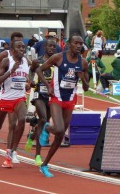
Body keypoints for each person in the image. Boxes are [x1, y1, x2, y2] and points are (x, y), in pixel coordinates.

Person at [35, 34, 89, 177]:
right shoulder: (58, 57)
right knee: (58, 129)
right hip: (56, 98)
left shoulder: (83, 63)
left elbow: (86, 88)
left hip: (70, 99)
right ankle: (47, 126)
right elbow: (39, 70)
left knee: (59, 136)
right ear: (69, 44)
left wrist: (82, 78)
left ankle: (45, 164)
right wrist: (48, 86)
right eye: (76, 43)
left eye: (81, 43)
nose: (78, 46)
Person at [0, 40, 29, 167]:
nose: (21, 49)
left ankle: (11, 152)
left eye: (23, 47)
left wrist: (29, 83)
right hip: (5, 98)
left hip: (19, 98)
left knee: (21, 120)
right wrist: (11, 71)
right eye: (18, 47)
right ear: (13, 50)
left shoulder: (26, 61)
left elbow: (27, 77)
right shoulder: (7, 61)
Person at [24, 38, 57, 166]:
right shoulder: (38, 61)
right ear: (44, 47)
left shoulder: (57, 61)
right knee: (43, 119)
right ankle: (37, 155)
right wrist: (31, 81)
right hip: (39, 94)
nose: (51, 48)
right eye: (49, 46)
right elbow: (31, 71)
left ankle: (32, 134)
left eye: (54, 47)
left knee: (43, 122)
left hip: (52, 95)